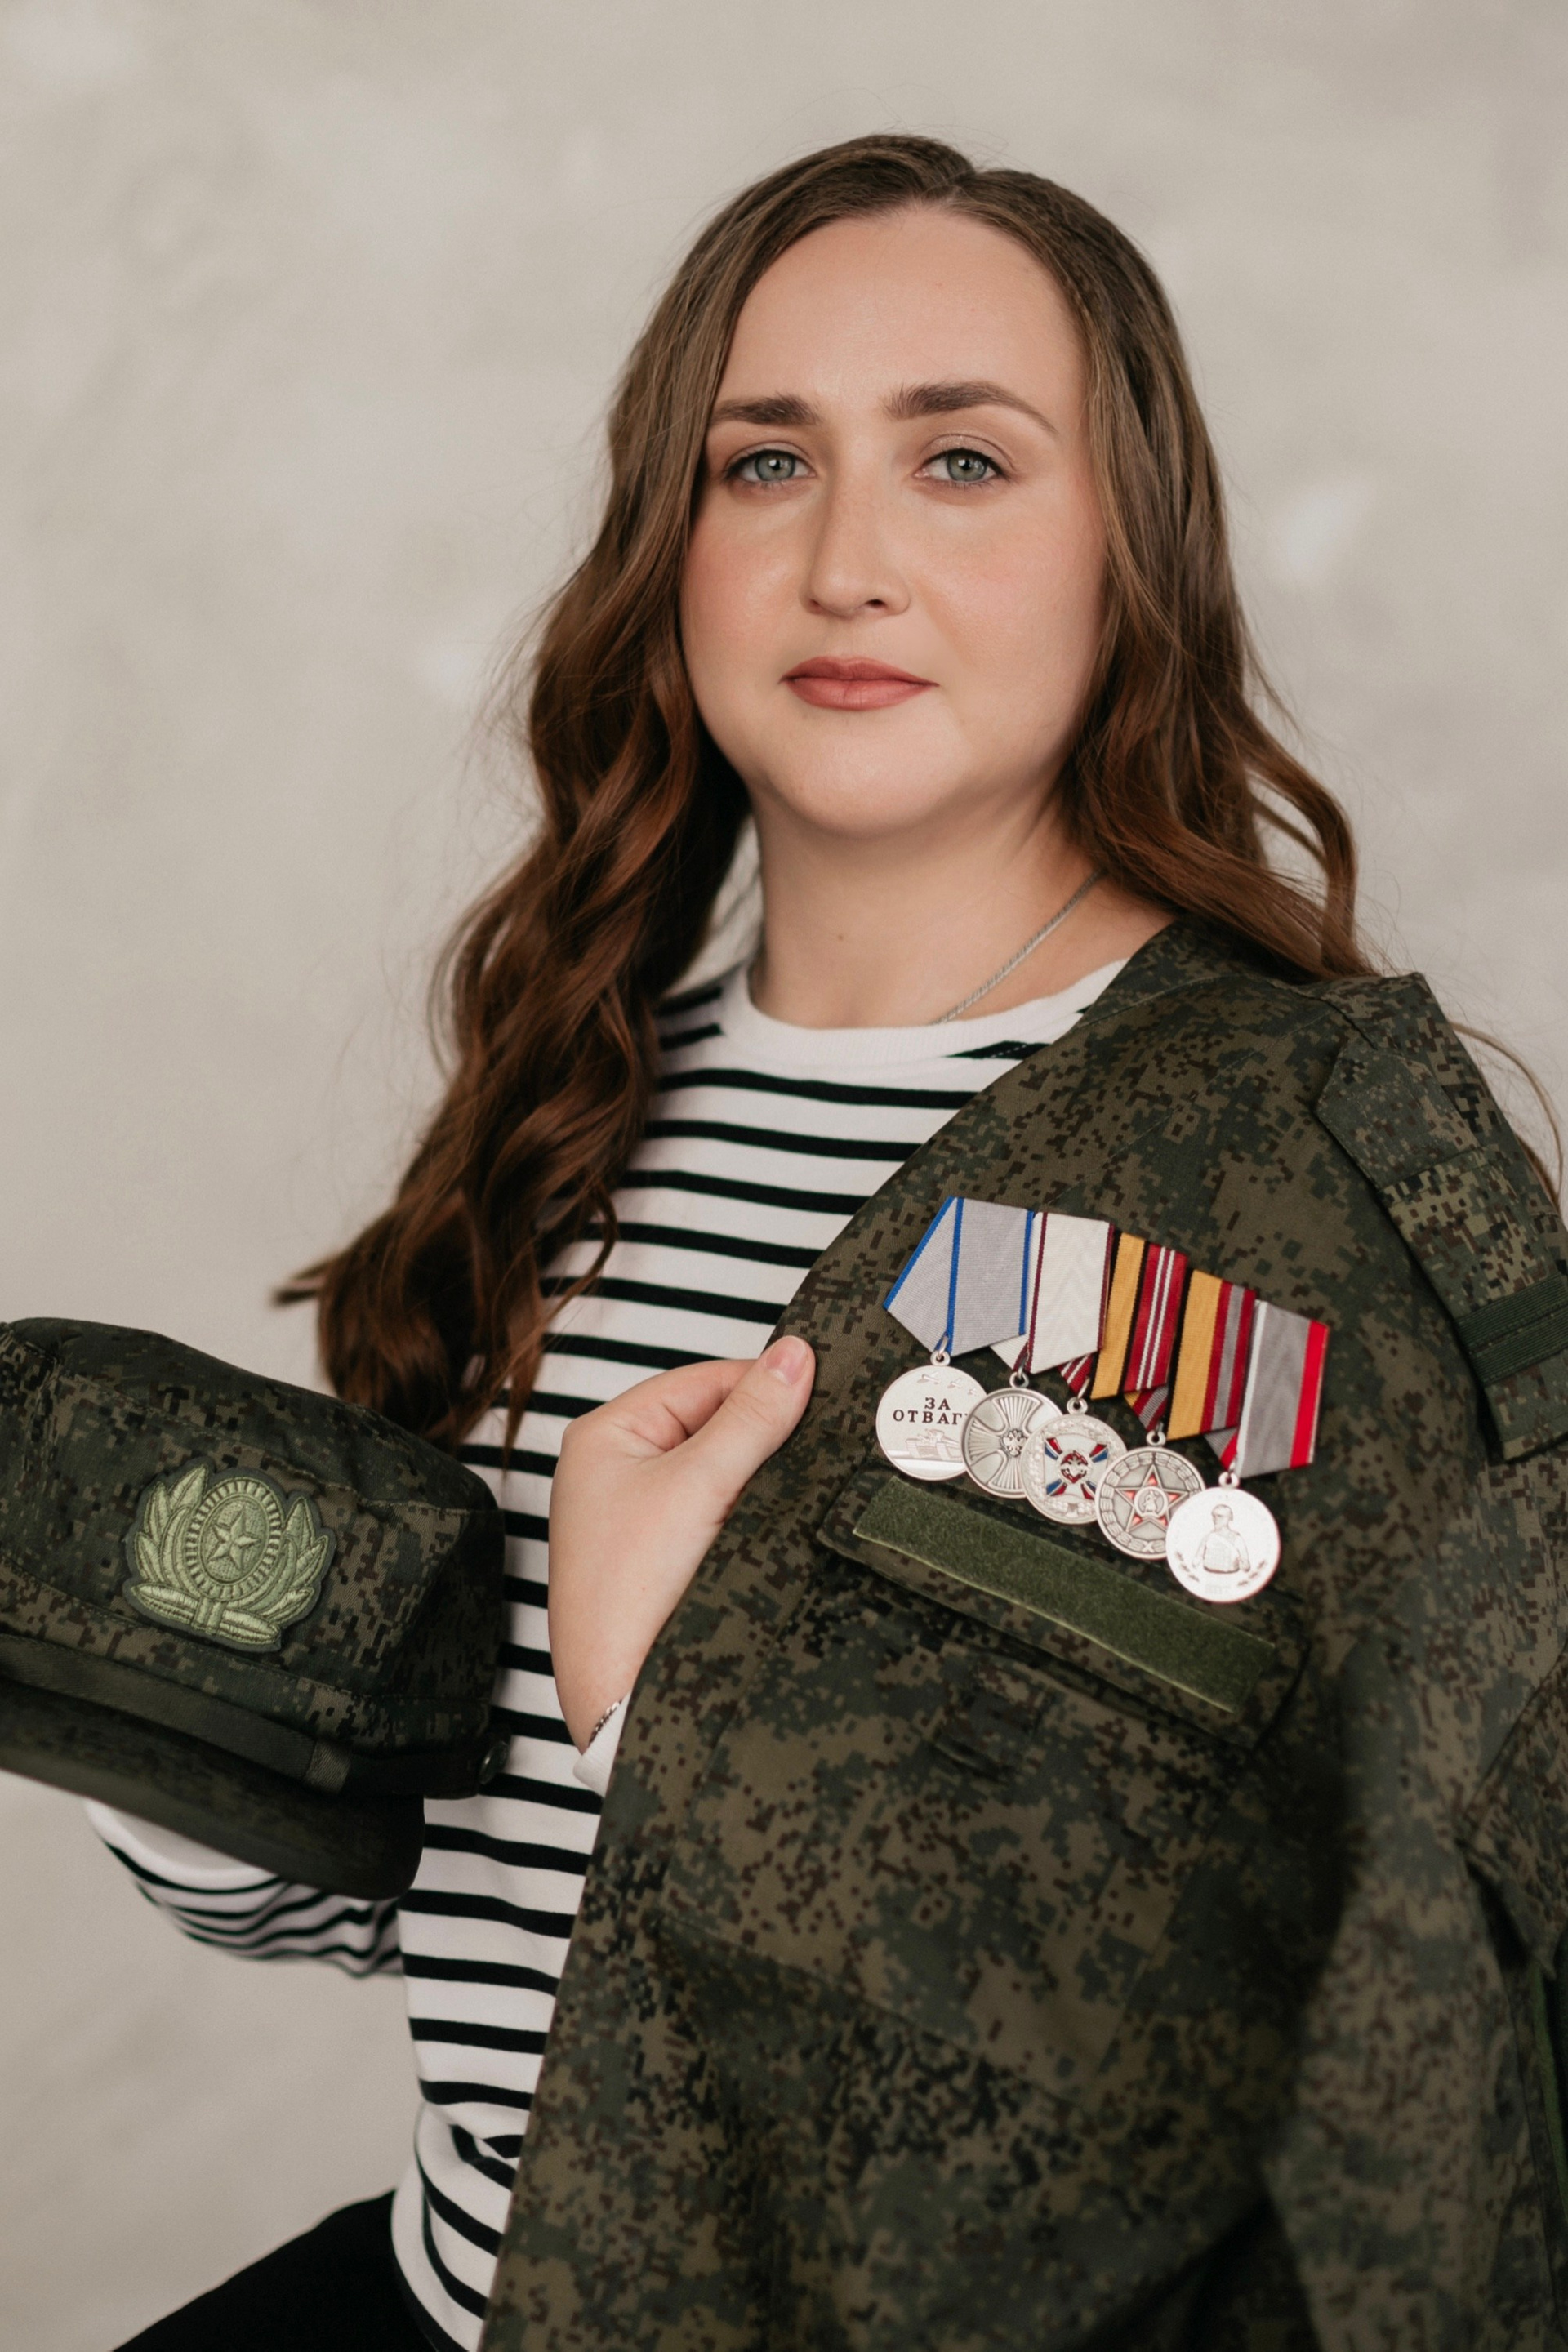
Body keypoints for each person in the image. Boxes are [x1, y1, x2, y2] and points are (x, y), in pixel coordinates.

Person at [88, 135, 1568, 2352]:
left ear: (1133, 552)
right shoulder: (569, 1109)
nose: (845, 563)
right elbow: (461, 1929)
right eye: (762, 464)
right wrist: (188, 1738)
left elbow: (1359, 2053)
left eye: (964, 461)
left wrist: (668, 1714)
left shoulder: (1326, 1169)